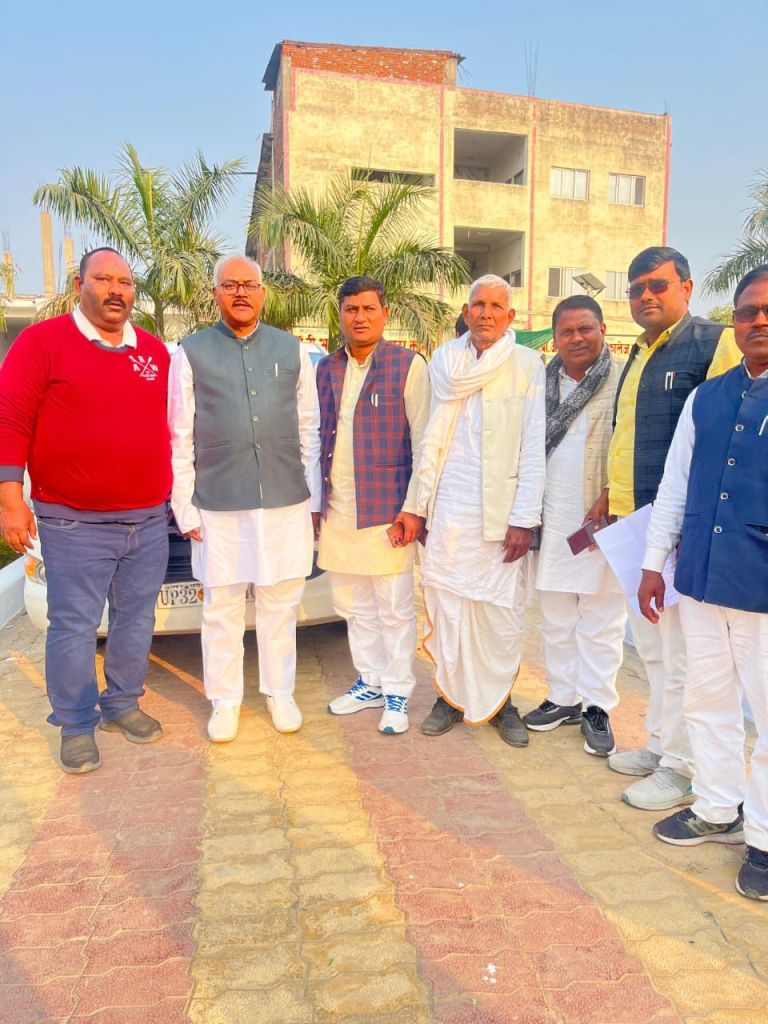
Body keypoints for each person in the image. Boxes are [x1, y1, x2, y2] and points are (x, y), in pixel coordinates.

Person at [0, 248, 171, 774]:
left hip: (148, 518)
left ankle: (122, 703)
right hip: (73, 520)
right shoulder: (42, 342)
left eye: (125, 281)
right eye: (103, 279)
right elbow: (11, 420)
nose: (116, 290)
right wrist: (10, 499)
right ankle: (75, 723)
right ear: (80, 285)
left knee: (136, 619)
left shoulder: (153, 351)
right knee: (73, 626)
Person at [587, 246, 742, 810]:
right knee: (652, 649)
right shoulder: (638, 351)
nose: (645, 295)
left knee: (683, 657)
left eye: (658, 285)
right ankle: (661, 744)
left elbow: (729, 436)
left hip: (676, 528)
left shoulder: (714, 342)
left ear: (687, 288)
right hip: (635, 525)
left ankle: (683, 769)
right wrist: (611, 491)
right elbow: (628, 432)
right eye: (636, 288)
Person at [638, 265, 768, 901]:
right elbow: (675, 485)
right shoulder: (706, 397)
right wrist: (652, 562)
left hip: (761, 585)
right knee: (707, 700)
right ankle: (718, 807)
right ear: (733, 321)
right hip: (700, 577)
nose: (759, 320)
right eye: (747, 311)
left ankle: (764, 838)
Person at [169, 255, 320, 742]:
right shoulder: (190, 352)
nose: (240, 293)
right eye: (230, 284)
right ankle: (225, 700)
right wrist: (185, 507)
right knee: (222, 606)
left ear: (262, 293)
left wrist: (312, 499)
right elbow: (179, 435)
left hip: (284, 499)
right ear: (215, 292)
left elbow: (309, 428)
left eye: (249, 285)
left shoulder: (291, 349)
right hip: (218, 502)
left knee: (280, 603)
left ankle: (280, 692)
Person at [400, 274, 545, 746]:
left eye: (496, 306)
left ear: (510, 316)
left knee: (498, 615)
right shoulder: (444, 362)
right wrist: (419, 506)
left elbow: (532, 446)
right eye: (478, 304)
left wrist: (524, 519)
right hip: (448, 508)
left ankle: (501, 703)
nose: (486, 313)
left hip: (501, 515)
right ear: (465, 312)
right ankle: (451, 697)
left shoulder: (527, 365)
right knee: (448, 607)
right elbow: (427, 439)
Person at [317, 276, 430, 735]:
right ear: (340, 315)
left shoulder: (408, 366)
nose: (359, 318)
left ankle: (398, 690)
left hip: (388, 511)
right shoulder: (326, 368)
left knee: (394, 608)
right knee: (352, 604)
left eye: (368, 309)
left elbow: (424, 443)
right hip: (338, 508)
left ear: (384, 313)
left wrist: (414, 508)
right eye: (351, 309)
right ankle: (370, 680)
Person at [524, 296, 626, 756]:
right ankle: (563, 696)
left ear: (603, 330)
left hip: (600, 516)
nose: (576, 338)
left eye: (585, 329)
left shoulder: (623, 378)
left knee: (602, 619)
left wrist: (614, 492)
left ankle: (597, 705)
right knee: (557, 617)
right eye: (566, 332)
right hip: (551, 516)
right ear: (555, 338)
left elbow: (631, 443)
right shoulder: (542, 381)